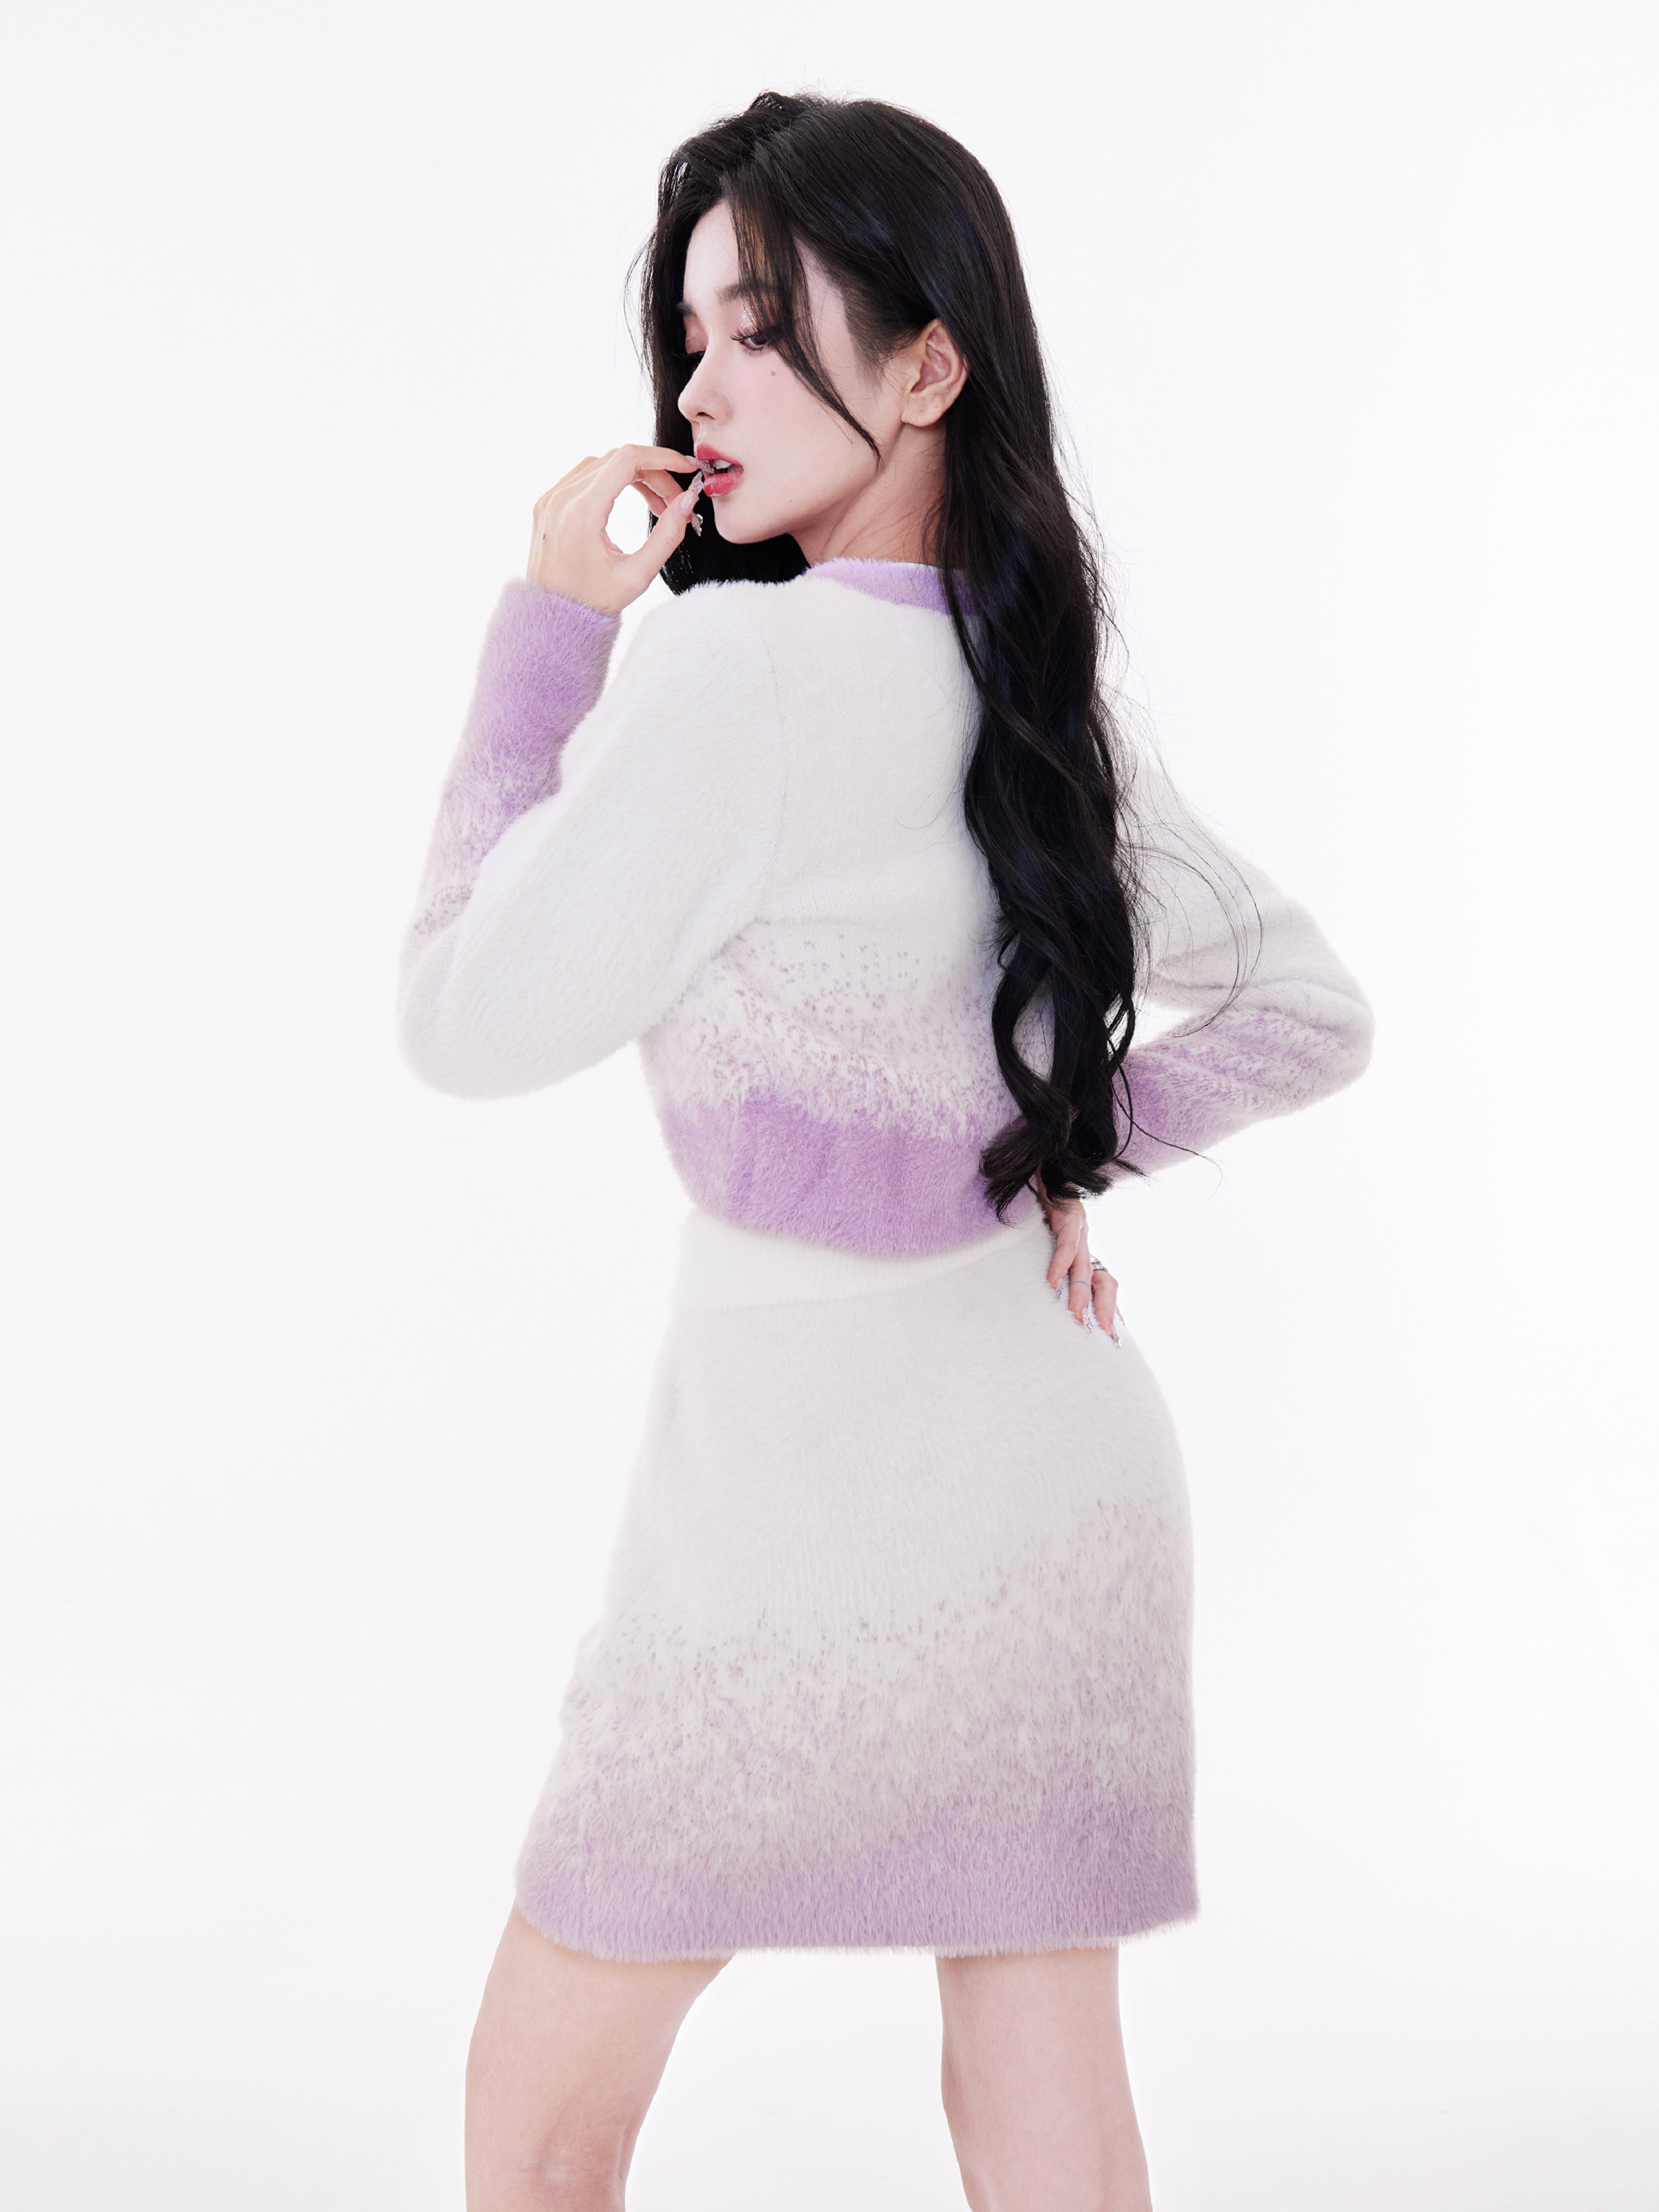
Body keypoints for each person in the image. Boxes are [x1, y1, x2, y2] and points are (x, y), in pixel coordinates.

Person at [398, 90, 1373, 2212]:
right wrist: (1043, 1154)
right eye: (689, 337)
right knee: (1037, 2114)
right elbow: (1313, 1013)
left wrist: (547, 631)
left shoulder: (728, 668)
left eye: (759, 329)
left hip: (783, 1520)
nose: (698, 386)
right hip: (1052, 1489)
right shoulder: (1039, 695)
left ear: (930, 367)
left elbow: (461, 1021)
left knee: (538, 2119)